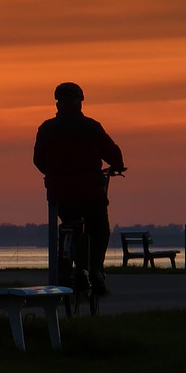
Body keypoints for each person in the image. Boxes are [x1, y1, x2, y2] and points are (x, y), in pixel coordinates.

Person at [33, 83, 125, 295]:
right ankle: (95, 268)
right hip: (90, 190)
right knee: (100, 229)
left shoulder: (47, 128)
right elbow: (112, 152)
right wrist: (117, 165)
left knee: (68, 225)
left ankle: (75, 264)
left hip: (60, 193)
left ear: (58, 102)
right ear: (79, 102)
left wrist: (54, 172)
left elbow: (38, 160)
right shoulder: (91, 127)